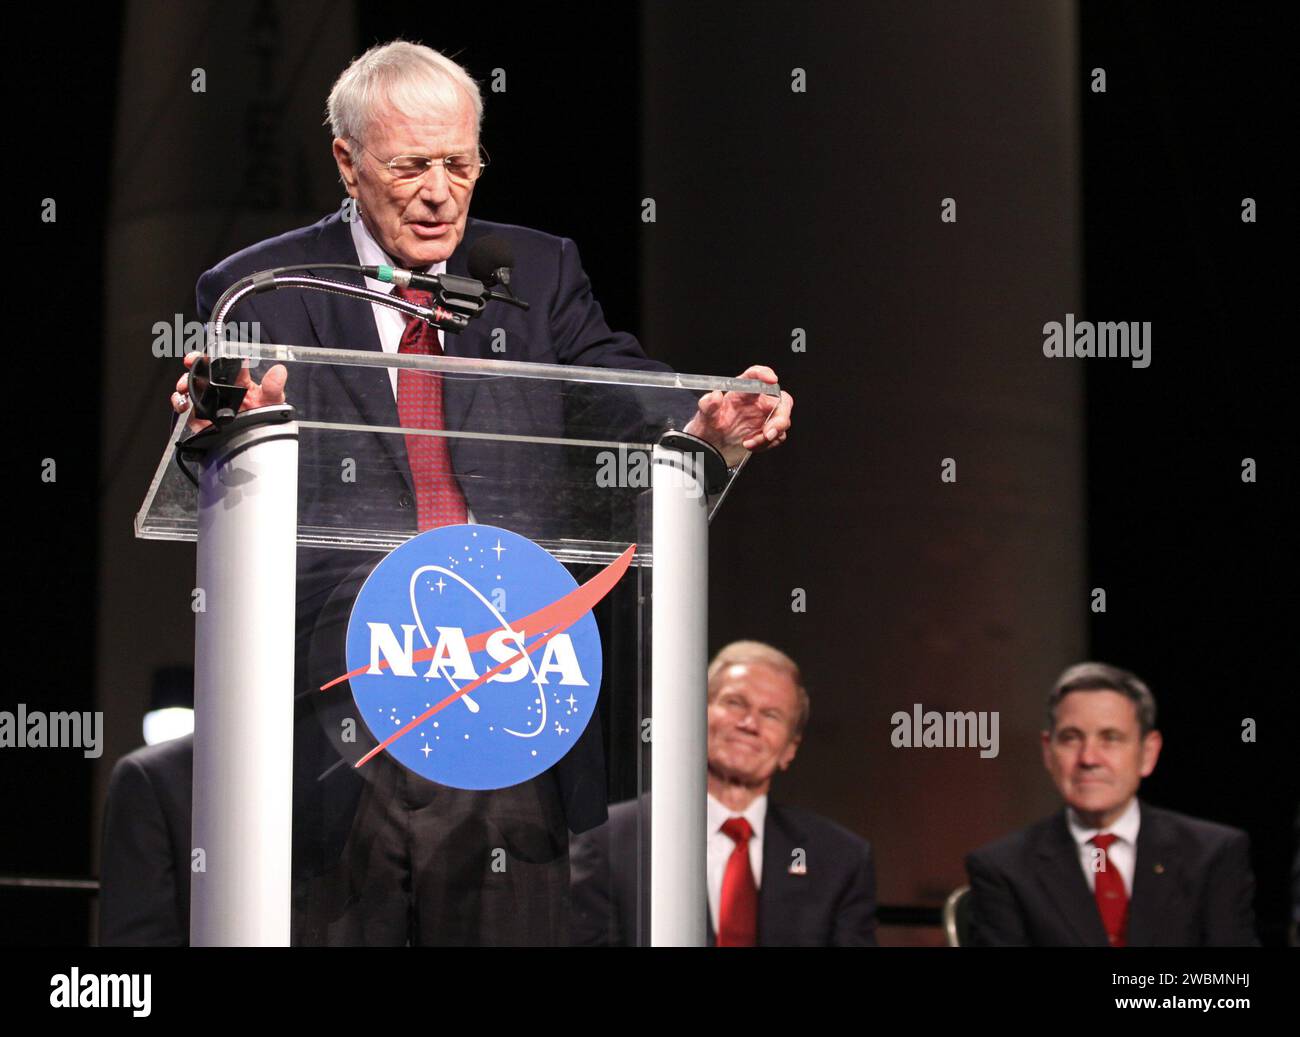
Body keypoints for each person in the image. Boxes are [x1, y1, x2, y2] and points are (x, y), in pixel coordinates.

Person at [164, 41, 793, 947]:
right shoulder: (263, 288)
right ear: (347, 161)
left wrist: (706, 414)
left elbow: (613, 385)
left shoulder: (532, 274)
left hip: (510, 697)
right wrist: (219, 433)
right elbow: (212, 455)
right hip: (339, 708)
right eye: (410, 165)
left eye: (459, 164)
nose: (439, 191)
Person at [569, 641, 878, 946]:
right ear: (696, 715)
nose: (749, 724)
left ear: (790, 749)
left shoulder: (840, 861)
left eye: (771, 715)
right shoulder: (608, 843)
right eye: (735, 703)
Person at [964, 662, 1258, 947]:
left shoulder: (1213, 855)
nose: (1089, 758)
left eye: (1111, 738)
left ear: (1147, 753)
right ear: (1048, 752)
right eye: (1070, 738)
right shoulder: (1002, 869)